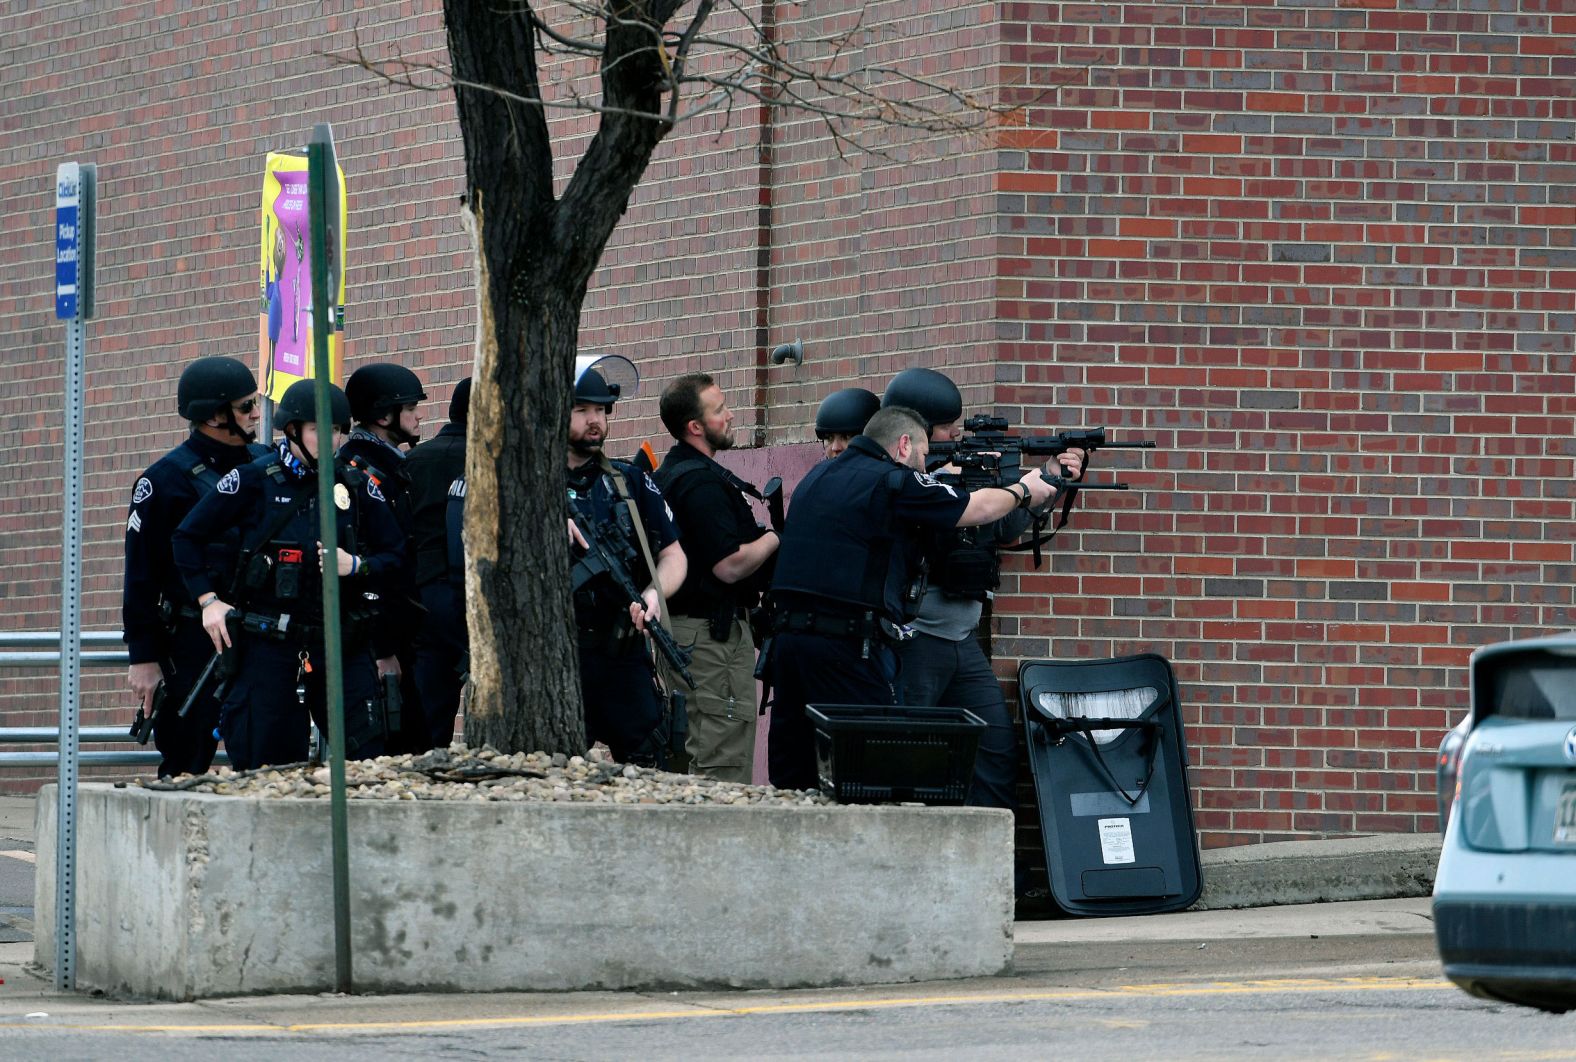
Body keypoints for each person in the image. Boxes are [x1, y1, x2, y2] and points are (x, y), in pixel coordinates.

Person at [765, 404, 1066, 791]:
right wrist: (1025, 490)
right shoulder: (894, 480)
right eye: (923, 456)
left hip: (788, 646)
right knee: (868, 772)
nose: (925, 466)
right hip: (848, 647)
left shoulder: (817, 476)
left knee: (797, 777)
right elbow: (977, 509)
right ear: (904, 445)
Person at [880, 368, 1083, 824]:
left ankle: (997, 868)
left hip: (960, 640)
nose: (954, 433)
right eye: (946, 427)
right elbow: (922, 520)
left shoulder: (960, 468)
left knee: (994, 749)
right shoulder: (900, 479)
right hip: (915, 639)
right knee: (904, 755)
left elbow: (1004, 528)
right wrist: (955, 478)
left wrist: (1045, 480)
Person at [172, 380, 405, 771]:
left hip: (340, 643)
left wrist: (358, 566)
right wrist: (208, 601)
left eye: (334, 431)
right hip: (270, 644)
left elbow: (397, 556)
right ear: (293, 430)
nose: (328, 440)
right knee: (266, 762)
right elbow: (187, 538)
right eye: (318, 430)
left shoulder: (356, 484)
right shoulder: (255, 480)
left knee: (368, 761)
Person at [123, 356, 267, 777]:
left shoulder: (265, 464)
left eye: (254, 403)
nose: (257, 413)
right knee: (186, 757)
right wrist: (143, 658)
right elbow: (140, 577)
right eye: (246, 407)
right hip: (192, 642)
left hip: (259, 635)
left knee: (266, 759)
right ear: (214, 415)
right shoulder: (165, 480)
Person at [651, 373, 778, 782]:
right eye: (719, 409)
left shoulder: (673, 474)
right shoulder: (700, 483)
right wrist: (774, 539)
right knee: (720, 759)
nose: (730, 415)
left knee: (690, 753)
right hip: (711, 641)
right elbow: (730, 564)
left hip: (689, 635)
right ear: (696, 426)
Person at [568, 367, 688, 765]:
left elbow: (673, 556)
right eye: (582, 409)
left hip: (623, 651)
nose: (595, 420)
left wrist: (655, 595)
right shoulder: (529, 487)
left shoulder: (629, 481)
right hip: (563, 657)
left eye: (602, 410)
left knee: (655, 761)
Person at [339, 362, 430, 753]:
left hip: (399, 635)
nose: (418, 414)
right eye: (410, 407)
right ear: (383, 415)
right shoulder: (363, 474)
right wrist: (384, 648)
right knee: (394, 746)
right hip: (378, 643)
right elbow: (377, 572)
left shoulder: (386, 466)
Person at [406, 377, 471, 750]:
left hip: (421, 595)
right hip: (469, 592)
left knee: (432, 712)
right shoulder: (498, 463)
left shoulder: (413, 461)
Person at [813, 387, 880, 460]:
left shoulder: (889, 470)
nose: (835, 448)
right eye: (829, 438)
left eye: (846, 437)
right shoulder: (820, 471)